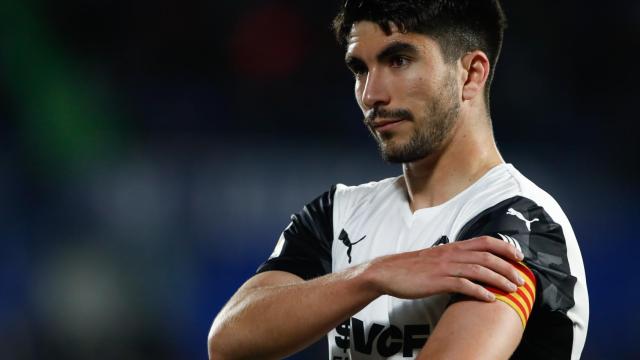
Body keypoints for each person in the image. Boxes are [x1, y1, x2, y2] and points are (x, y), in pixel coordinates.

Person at [208, 0, 589, 359]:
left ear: (471, 73)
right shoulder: (338, 214)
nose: (372, 94)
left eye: (399, 60)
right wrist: (372, 275)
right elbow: (228, 342)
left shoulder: (523, 227)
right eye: (360, 68)